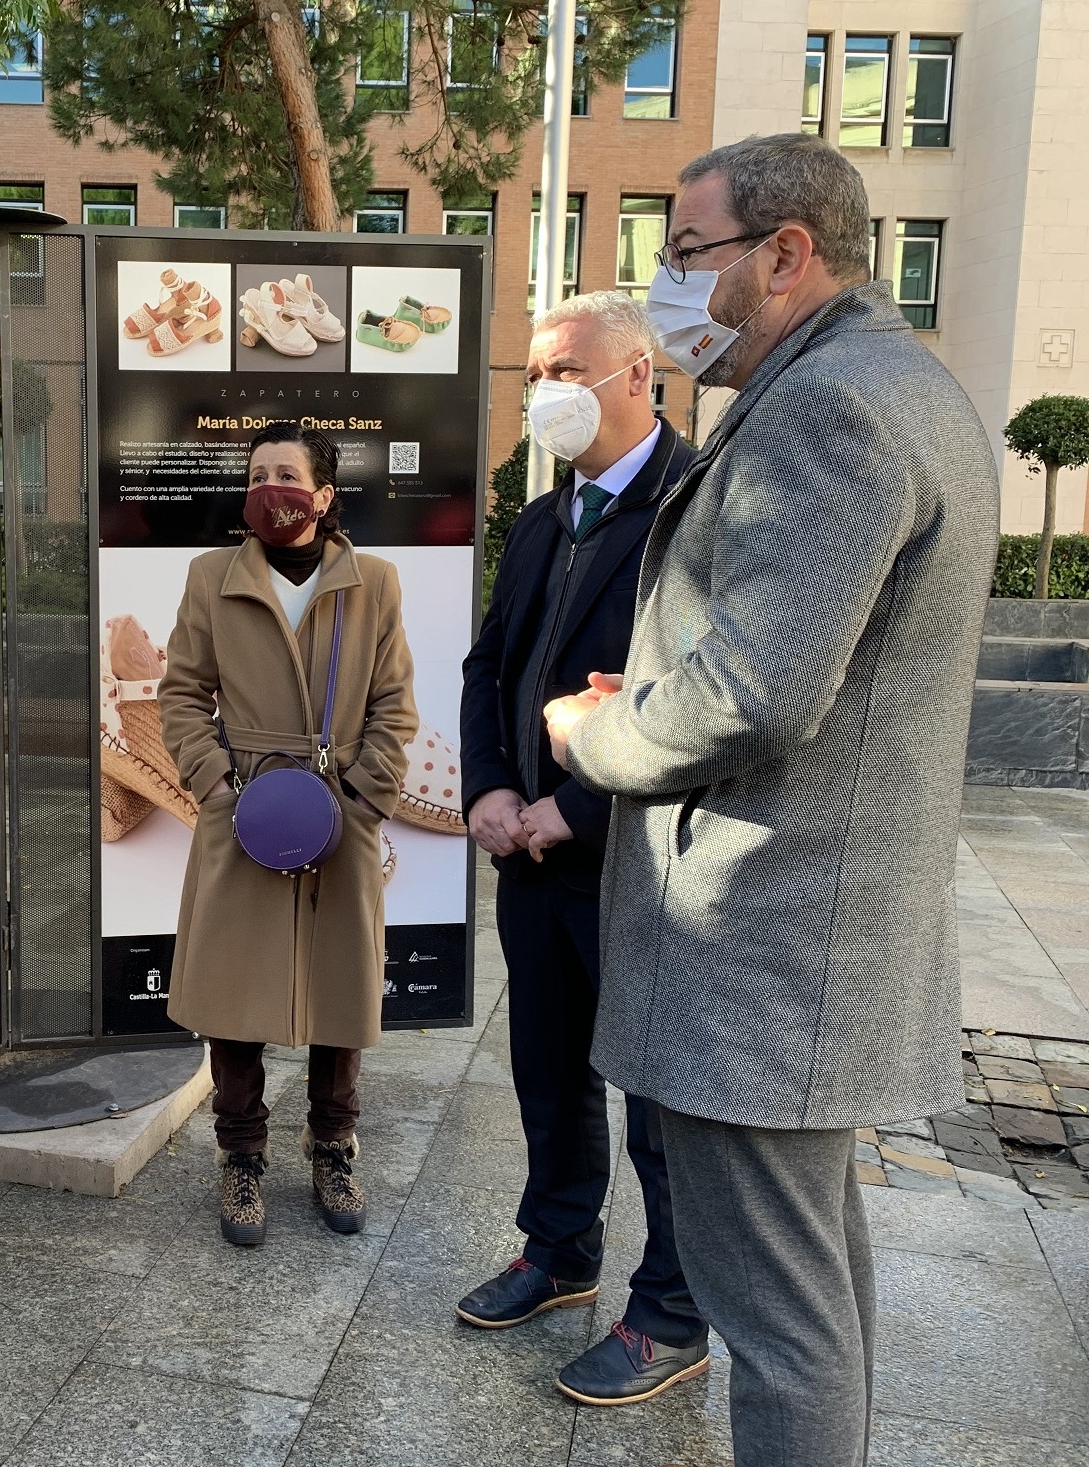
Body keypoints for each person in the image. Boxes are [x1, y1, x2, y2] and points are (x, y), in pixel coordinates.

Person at [542, 134, 998, 1466]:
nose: (671, 286)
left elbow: (755, 693)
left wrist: (595, 730)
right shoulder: (893, 382)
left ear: (782, 254)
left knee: (779, 1319)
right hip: (811, 937)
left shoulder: (825, 406)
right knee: (816, 1289)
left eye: (686, 254)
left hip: (761, 951)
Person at [455, 291, 707, 1405]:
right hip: (530, 857)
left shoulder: (692, 508)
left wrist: (579, 804)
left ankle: (671, 1311)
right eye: (533, 374)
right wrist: (494, 790)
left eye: (564, 369)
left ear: (638, 374)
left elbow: (710, 704)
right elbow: (487, 670)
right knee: (548, 1073)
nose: (543, 392)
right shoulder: (547, 516)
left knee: (658, 1103)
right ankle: (559, 1251)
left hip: (642, 865)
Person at [157, 421, 418, 1247]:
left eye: (287, 474)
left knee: (340, 991)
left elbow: (393, 705)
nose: (271, 487)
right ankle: (240, 1157)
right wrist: (219, 787)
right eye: (258, 473)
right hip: (245, 815)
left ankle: (333, 1143)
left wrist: (364, 799)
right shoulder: (211, 576)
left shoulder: (372, 581)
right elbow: (180, 696)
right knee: (232, 996)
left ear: (324, 494)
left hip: (339, 813)